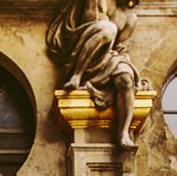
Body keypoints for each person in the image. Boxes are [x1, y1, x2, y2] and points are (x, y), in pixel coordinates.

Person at [47, 0, 140, 148]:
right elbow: (91, 20)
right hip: (87, 45)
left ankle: (123, 132)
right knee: (108, 29)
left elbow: (118, 45)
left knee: (125, 80)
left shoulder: (129, 18)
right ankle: (77, 75)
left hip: (109, 55)